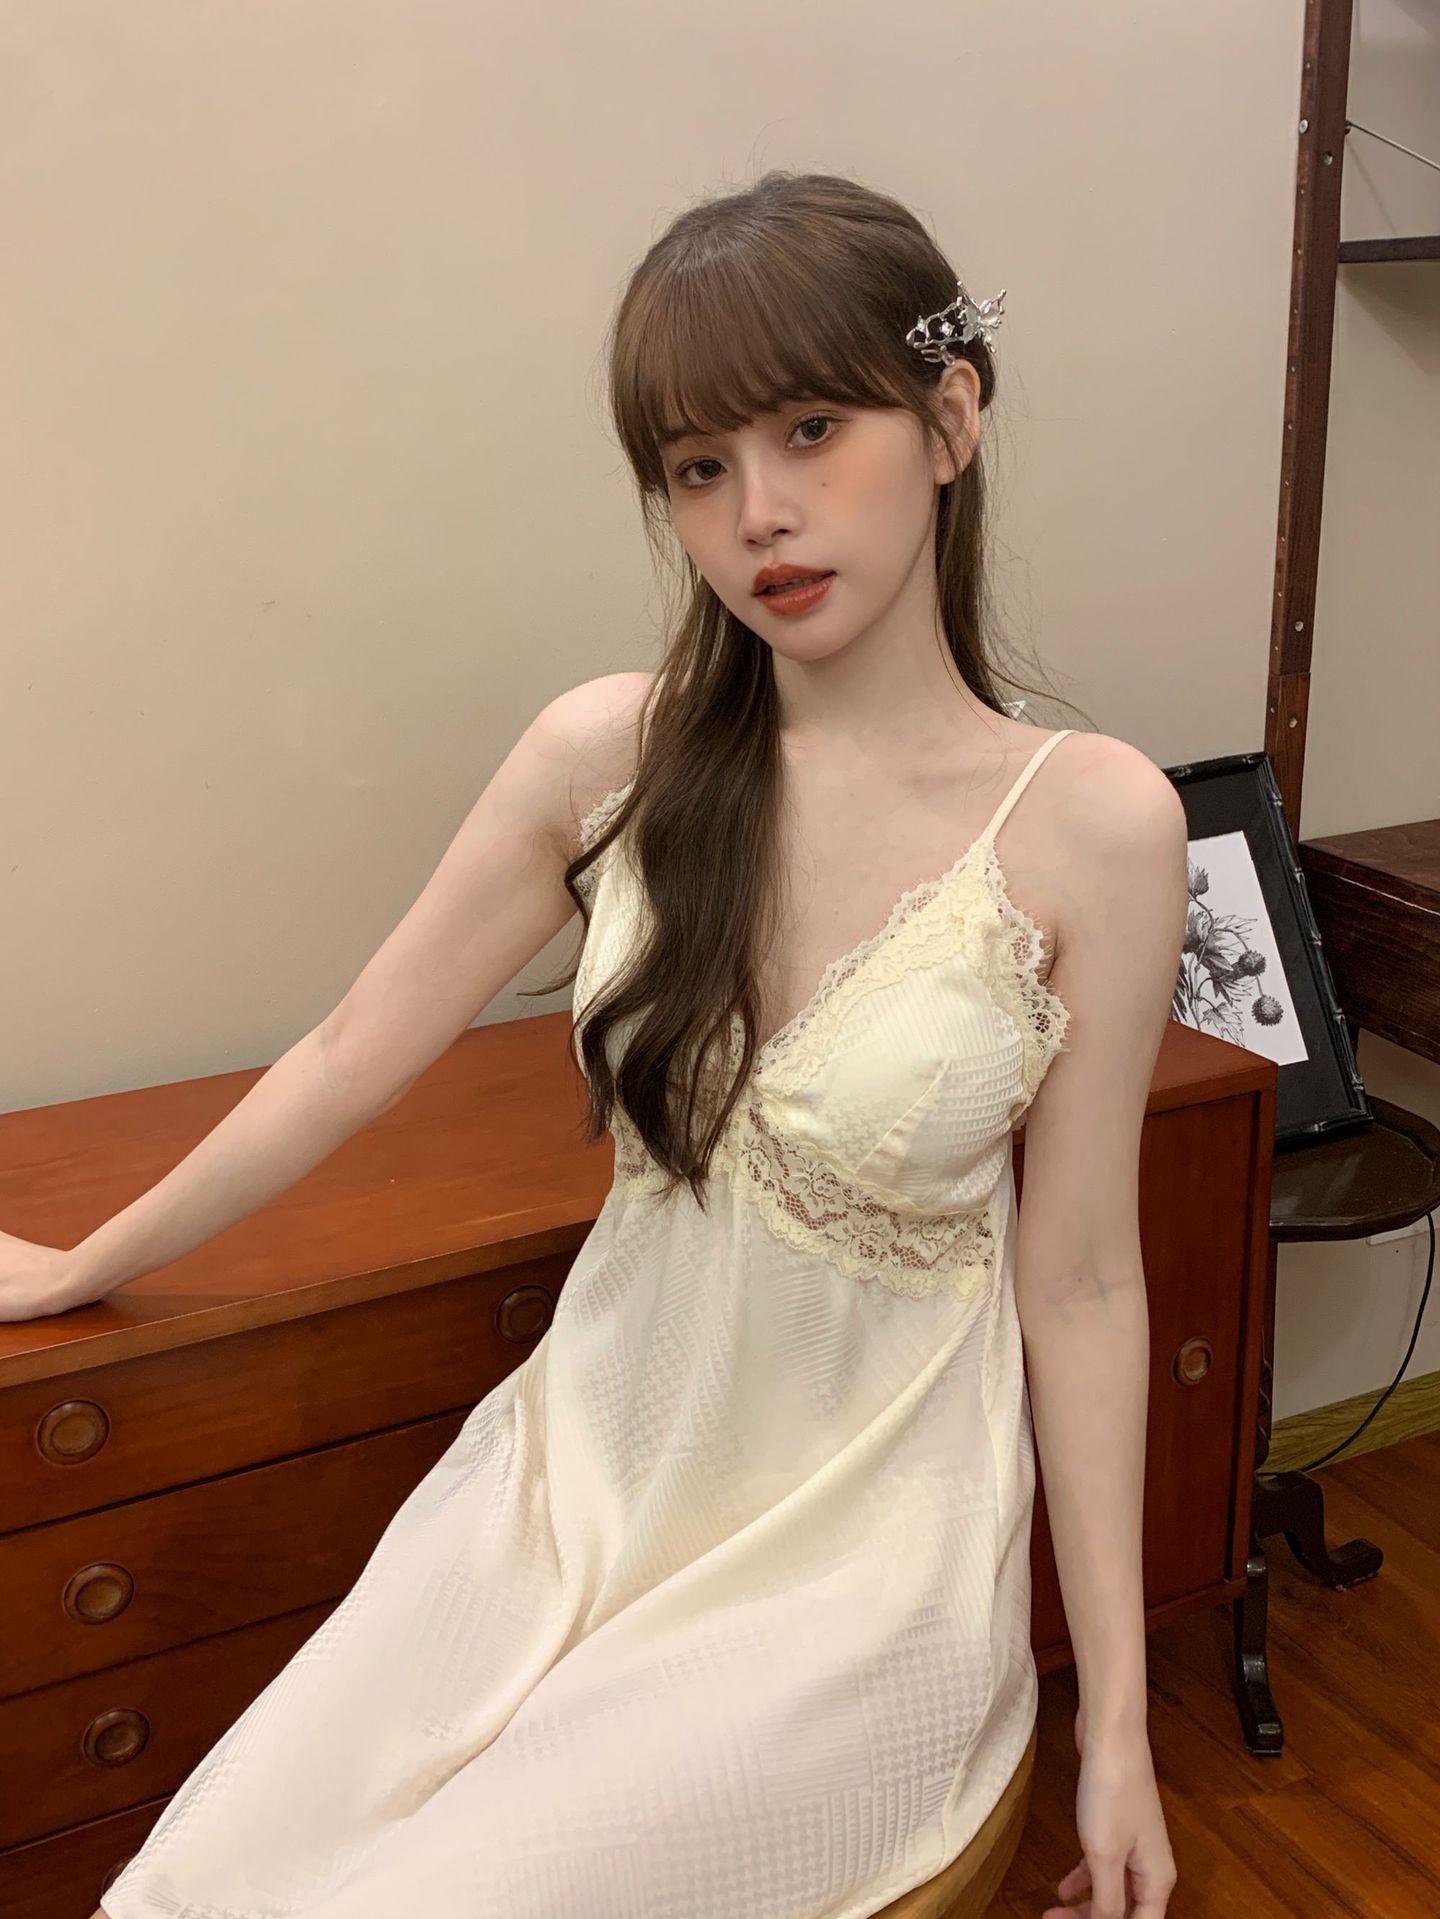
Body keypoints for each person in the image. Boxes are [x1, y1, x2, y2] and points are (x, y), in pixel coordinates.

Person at [2, 169, 1185, 1918]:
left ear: (950, 420)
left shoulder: (1095, 825)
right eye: (699, 468)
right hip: (573, 1484)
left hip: (851, 1571)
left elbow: (1080, 1284)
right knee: (196, 1884)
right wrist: (87, 1260)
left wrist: (1120, 1731)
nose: (761, 513)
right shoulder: (608, 759)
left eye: (813, 428)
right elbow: (351, 1051)